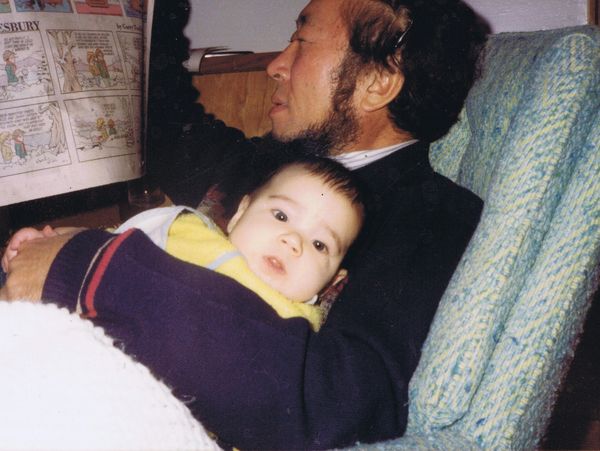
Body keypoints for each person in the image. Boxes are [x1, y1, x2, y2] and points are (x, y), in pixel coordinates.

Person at [1, 0, 489, 448]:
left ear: (377, 83)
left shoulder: (430, 219)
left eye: (302, 42)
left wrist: (87, 270)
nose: (276, 66)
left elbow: (332, 392)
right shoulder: (268, 165)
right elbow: (164, 123)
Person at [2, 155, 365, 331]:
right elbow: (113, 239)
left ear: (332, 282)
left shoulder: (296, 332)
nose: (293, 241)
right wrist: (50, 239)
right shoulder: (192, 232)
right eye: (282, 216)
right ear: (239, 215)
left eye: (319, 245)